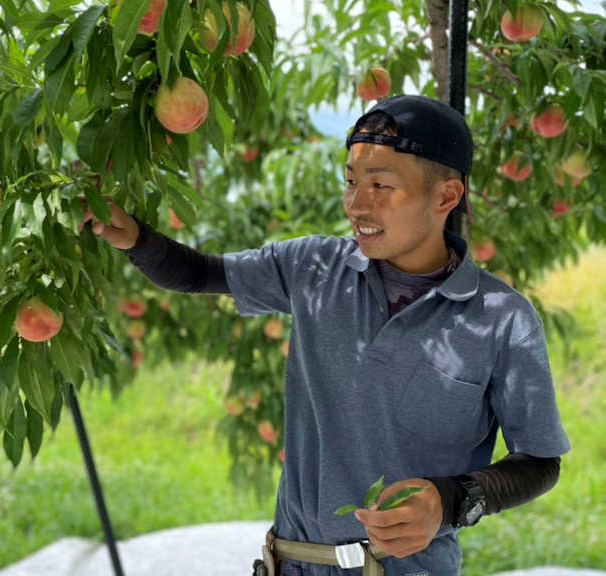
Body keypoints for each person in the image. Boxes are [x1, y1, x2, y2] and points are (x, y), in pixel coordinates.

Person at [81, 95, 571, 576]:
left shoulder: (502, 318)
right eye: (351, 181)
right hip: (290, 563)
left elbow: (540, 462)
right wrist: (134, 239)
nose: (357, 204)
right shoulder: (314, 267)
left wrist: (450, 501)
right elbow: (200, 273)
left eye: (381, 185)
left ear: (446, 196)